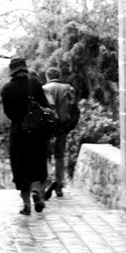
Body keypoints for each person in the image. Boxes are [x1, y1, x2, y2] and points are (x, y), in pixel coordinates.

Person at [1, 56, 53, 215]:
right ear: (25, 68)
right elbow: (45, 104)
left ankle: (26, 205)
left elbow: (9, 113)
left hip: (19, 133)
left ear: (12, 71)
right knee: (37, 164)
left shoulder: (7, 89)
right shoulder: (35, 83)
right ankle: (37, 191)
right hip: (37, 132)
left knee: (21, 168)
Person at [43, 67, 79, 199]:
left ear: (47, 76)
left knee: (46, 156)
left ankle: (50, 178)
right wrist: (69, 126)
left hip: (47, 129)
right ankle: (59, 187)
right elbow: (74, 109)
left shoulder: (43, 89)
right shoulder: (68, 89)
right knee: (59, 157)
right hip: (62, 128)